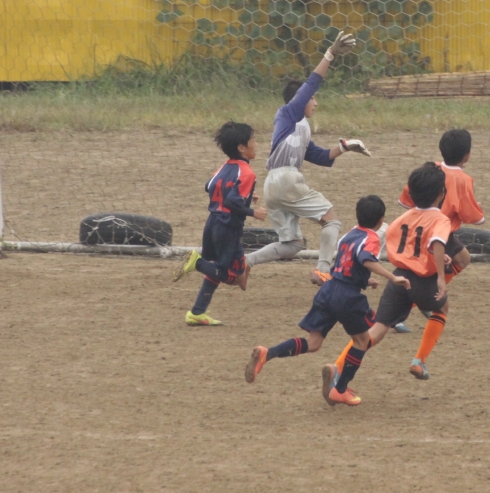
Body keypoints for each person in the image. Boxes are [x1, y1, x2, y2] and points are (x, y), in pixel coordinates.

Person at [244, 195, 410, 406]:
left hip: (329, 289)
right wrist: (392, 277)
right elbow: (366, 259)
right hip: (347, 297)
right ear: (381, 220)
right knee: (362, 342)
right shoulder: (372, 238)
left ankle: (267, 354)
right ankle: (339, 389)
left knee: (313, 343)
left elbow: (346, 264)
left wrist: (365, 281)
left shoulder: (349, 235)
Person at [245, 31, 372, 285]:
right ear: (300, 99)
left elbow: (320, 156)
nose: (315, 102)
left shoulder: (299, 126)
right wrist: (331, 53)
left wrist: (345, 147)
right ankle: (323, 269)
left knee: (293, 244)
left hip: (273, 184)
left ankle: (246, 261)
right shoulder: (289, 112)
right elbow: (312, 82)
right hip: (287, 180)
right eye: (312, 98)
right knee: (332, 220)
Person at [333, 163, 452, 383]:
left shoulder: (402, 218)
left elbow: (401, 240)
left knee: (376, 330)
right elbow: (436, 242)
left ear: (411, 193)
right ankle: (419, 360)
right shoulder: (441, 219)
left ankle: (337, 366)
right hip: (422, 281)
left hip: (398, 278)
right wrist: (440, 277)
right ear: (441, 193)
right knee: (442, 308)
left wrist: (427, 255)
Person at [172, 121, 268, 326]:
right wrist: (253, 212)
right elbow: (231, 202)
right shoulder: (248, 173)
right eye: (253, 140)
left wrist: (245, 195)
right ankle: (196, 262)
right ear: (241, 147)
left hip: (212, 223)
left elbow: (209, 186)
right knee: (230, 276)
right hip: (228, 228)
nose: (257, 144)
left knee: (220, 270)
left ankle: (197, 312)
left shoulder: (225, 166)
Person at [397, 128, 485, 282]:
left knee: (461, 258)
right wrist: (476, 208)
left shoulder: (430, 169)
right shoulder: (463, 180)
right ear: (467, 155)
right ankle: (431, 286)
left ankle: (428, 283)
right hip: (440, 231)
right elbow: (473, 218)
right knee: (457, 261)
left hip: (418, 225)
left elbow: (405, 201)